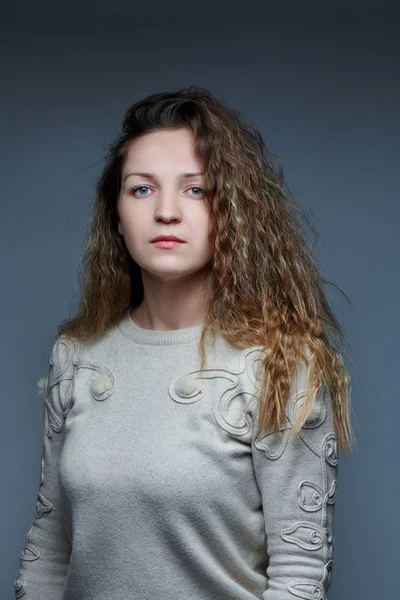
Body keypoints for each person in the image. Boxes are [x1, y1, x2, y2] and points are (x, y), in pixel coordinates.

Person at [13, 85, 355, 600]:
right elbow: (49, 546)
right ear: (116, 216)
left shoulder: (281, 365)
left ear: (232, 213)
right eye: (142, 189)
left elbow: (300, 573)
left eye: (196, 189)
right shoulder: (78, 358)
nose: (166, 212)